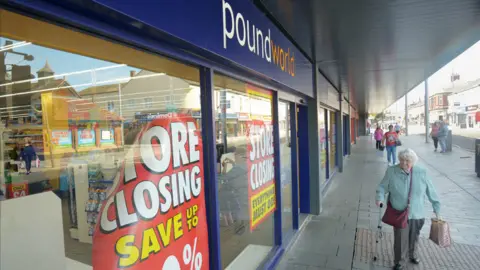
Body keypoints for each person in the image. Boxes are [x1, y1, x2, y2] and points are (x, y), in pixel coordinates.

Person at [376, 149, 441, 270]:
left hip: (417, 212)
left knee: (414, 235)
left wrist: (436, 207)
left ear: (413, 162)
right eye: (402, 160)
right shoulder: (392, 171)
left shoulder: (421, 172)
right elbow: (382, 186)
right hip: (399, 212)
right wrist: (379, 197)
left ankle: (412, 254)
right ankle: (399, 262)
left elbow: (431, 190)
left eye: (408, 161)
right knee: (400, 238)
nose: (404, 163)